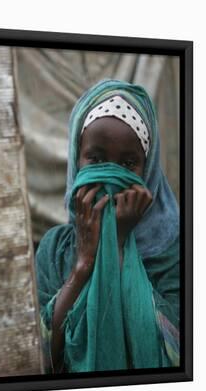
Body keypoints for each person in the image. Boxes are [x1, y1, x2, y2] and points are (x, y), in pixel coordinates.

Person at [35, 79, 180, 373]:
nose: (111, 175)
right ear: (77, 162)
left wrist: (118, 243)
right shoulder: (54, 248)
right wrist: (83, 264)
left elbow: (176, 353)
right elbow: (40, 355)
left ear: (148, 170)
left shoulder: (175, 252)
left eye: (128, 164)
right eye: (97, 159)